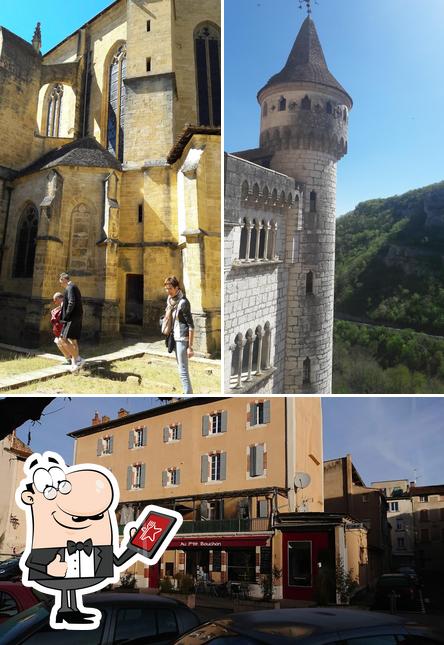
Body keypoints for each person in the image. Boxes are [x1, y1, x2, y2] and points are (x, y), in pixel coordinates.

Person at [163, 276, 194, 394]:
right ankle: (187, 391)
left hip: (182, 338)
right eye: (166, 288)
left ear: (177, 288)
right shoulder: (170, 301)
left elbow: (191, 326)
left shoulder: (183, 303)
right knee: (180, 367)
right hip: (174, 336)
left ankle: (188, 393)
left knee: (183, 369)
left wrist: (190, 347)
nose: (168, 291)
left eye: (170, 288)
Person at [59, 272, 85, 373]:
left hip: (71, 318)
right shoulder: (74, 287)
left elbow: (71, 302)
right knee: (73, 340)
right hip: (77, 317)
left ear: (64, 279)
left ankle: (78, 359)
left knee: (62, 339)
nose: (61, 284)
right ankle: (75, 364)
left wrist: (66, 315)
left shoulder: (69, 287)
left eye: (61, 282)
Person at [50, 292, 72, 365]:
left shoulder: (65, 303)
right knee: (58, 342)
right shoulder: (62, 304)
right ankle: (69, 359)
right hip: (63, 326)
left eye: (55, 300)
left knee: (63, 341)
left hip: (66, 326)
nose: (55, 302)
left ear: (59, 298)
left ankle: (74, 358)